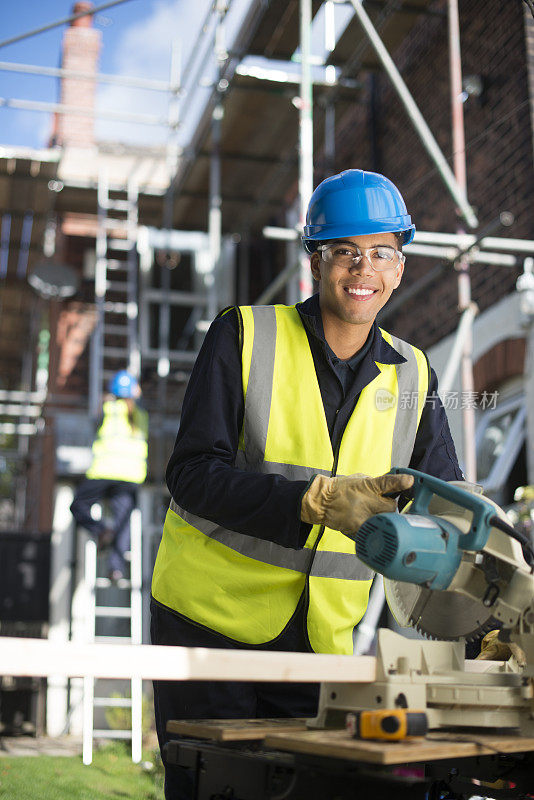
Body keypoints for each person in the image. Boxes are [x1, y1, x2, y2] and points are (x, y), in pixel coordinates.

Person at [150, 169, 464, 799]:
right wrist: (311, 502)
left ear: (399, 270)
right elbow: (190, 477)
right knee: (219, 789)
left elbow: (446, 496)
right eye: (345, 252)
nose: (363, 268)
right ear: (316, 263)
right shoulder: (242, 335)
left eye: (381, 253)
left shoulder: (413, 373)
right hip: (213, 621)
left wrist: (484, 570)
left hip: (323, 639)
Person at [70, 370, 148, 581]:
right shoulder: (141, 414)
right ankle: (116, 569)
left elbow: (94, 423)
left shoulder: (107, 408)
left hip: (103, 473)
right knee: (123, 523)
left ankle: (102, 530)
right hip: (130, 477)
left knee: (77, 506)